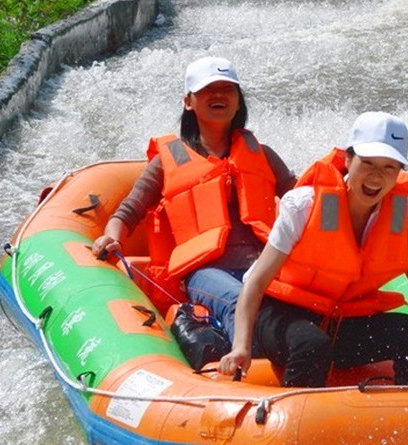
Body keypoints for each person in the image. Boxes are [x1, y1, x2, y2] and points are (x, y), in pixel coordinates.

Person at [218, 111, 408, 387]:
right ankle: (303, 423)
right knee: (312, 344)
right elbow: (256, 281)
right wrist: (241, 345)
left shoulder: (405, 215)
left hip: (344, 323)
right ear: (348, 160)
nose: (376, 176)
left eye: (389, 168)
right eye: (368, 163)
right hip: (282, 318)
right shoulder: (303, 205)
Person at [91, 56, 296, 345]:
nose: (219, 95)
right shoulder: (169, 161)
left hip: (263, 264)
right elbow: (128, 210)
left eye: (228, 89)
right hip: (205, 271)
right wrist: (111, 237)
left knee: (297, 304)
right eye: (208, 90)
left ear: (238, 102)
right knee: (241, 302)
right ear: (189, 102)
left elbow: (302, 203)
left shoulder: (263, 155)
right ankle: (246, 373)